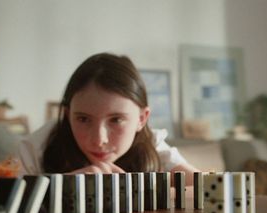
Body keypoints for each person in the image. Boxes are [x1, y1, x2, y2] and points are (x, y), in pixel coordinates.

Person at [17, 52, 199, 185]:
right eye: (83, 119)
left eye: (116, 120)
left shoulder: (150, 144)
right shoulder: (35, 149)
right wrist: (62, 187)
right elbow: (1, 203)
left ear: (141, 119)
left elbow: (209, 186)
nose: (99, 140)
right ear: (67, 115)